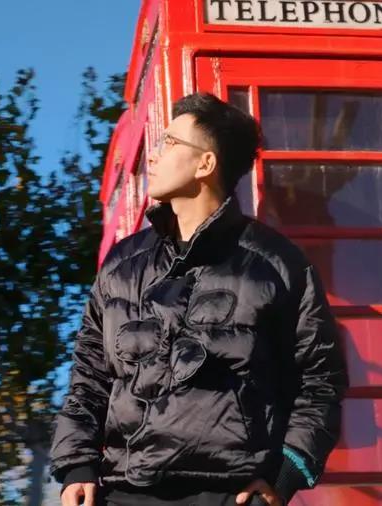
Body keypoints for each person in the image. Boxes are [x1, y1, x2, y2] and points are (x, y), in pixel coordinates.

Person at [49, 92, 349, 506]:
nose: (154, 155)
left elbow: (320, 380)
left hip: (230, 493)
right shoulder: (122, 264)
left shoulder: (276, 264)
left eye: (169, 142)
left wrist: (286, 474)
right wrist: (76, 466)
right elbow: (90, 376)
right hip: (124, 490)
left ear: (205, 164)